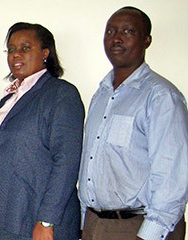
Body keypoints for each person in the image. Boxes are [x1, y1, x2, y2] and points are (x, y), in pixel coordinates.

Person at [78, 6, 188, 240]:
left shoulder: (160, 97)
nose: (116, 38)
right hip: (94, 224)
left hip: (138, 227)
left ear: (146, 40)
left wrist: (150, 234)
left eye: (128, 31)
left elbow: (172, 175)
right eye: (110, 31)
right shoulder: (101, 95)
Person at [0, 22, 84, 240]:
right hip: (3, 219)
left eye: (25, 48)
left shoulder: (60, 95)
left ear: (46, 53)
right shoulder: (7, 100)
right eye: (11, 49)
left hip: (38, 222)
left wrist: (47, 220)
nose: (16, 54)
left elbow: (66, 162)